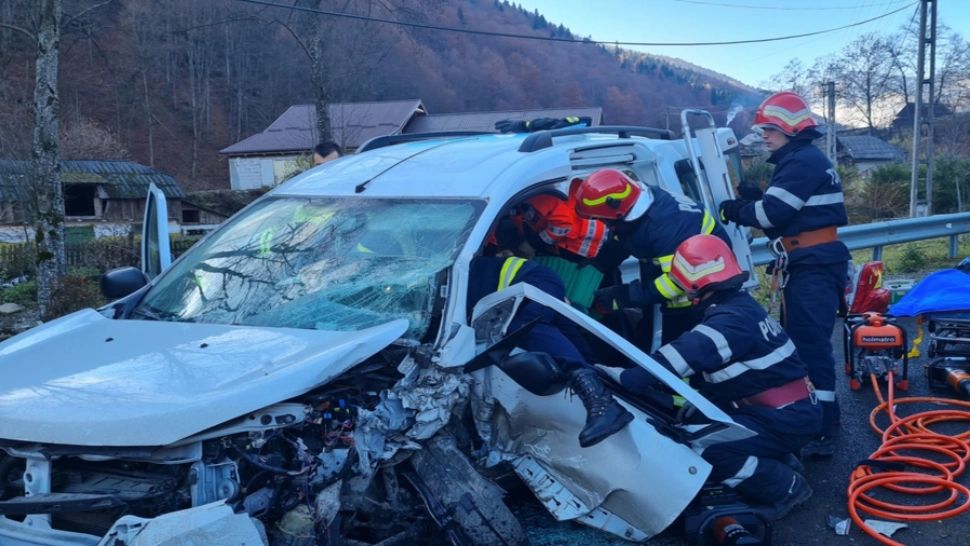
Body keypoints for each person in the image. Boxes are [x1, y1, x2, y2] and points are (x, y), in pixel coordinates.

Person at [619, 234, 822, 521]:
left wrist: (627, 379)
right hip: (787, 411)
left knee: (705, 446)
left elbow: (677, 358)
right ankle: (780, 459)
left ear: (690, 285)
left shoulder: (728, 323)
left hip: (783, 418)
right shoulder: (741, 306)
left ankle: (785, 488)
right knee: (699, 422)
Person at [718, 91, 850, 457]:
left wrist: (737, 209)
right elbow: (787, 218)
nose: (764, 136)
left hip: (813, 265)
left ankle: (823, 427)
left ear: (790, 129)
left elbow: (769, 217)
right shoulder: (802, 160)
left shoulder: (801, 162)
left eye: (770, 129)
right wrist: (756, 198)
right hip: (811, 261)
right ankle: (818, 419)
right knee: (806, 342)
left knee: (809, 345)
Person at [468, 254, 633, 447]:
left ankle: (603, 403)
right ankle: (602, 380)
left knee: (524, 326)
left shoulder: (436, 279)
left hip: (531, 283)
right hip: (533, 285)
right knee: (572, 345)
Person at [573, 168, 732, 343]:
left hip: (700, 296)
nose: (604, 224)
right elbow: (632, 233)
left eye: (604, 219)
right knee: (645, 336)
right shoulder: (637, 200)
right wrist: (603, 260)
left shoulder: (666, 226)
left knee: (679, 353)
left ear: (616, 211)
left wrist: (624, 296)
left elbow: (676, 283)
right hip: (676, 282)